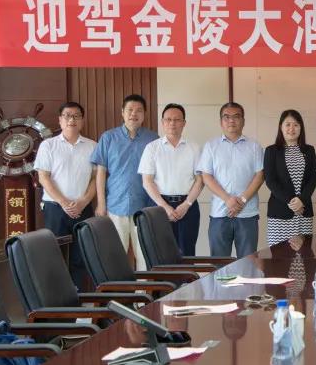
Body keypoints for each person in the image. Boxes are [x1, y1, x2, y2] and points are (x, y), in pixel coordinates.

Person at [91, 94, 159, 269]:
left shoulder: (153, 139)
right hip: (115, 204)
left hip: (145, 206)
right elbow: (101, 173)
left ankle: (144, 288)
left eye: (139, 110)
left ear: (144, 114)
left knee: (145, 254)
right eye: (130, 110)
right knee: (116, 255)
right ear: (122, 112)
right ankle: (119, 288)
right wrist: (101, 204)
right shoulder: (108, 138)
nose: (133, 114)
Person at [34, 101, 96, 289]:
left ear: (82, 120)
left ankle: (79, 296)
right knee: (56, 254)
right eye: (67, 116)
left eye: (76, 116)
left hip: (83, 209)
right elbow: (43, 177)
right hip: (55, 209)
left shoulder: (93, 146)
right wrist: (63, 202)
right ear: (60, 120)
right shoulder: (48, 145)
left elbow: (96, 178)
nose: (72, 120)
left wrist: (83, 201)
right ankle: (58, 298)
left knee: (81, 255)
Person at [196, 102, 265, 258]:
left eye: (236, 117)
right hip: (220, 214)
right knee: (219, 263)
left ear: (243, 121)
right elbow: (206, 176)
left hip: (247, 214)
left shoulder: (254, 146)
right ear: (221, 121)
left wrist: (242, 200)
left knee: (248, 263)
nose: (231, 120)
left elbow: (260, 175)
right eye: (226, 117)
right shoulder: (211, 146)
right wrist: (228, 199)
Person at [138, 103, 204, 257]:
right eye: (168, 119)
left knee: (187, 253)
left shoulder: (194, 148)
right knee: (161, 253)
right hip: (158, 206)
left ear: (184, 123)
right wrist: (165, 207)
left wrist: (186, 205)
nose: (172, 123)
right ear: (162, 122)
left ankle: (187, 276)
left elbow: (200, 180)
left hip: (188, 205)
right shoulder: (152, 148)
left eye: (177, 119)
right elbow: (147, 181)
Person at [263, 109, 316, 247]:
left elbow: (313, 179)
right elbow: (270, 180)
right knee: (278, 255)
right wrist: (292, 202)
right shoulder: (271, 151)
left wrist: (302, 200)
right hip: (280, 213)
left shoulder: (309, 150)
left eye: (296, 125)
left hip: (303, 211)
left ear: (301, 128)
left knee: (304, 255)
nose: (291, 128)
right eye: (287, 124)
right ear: (281, 127)